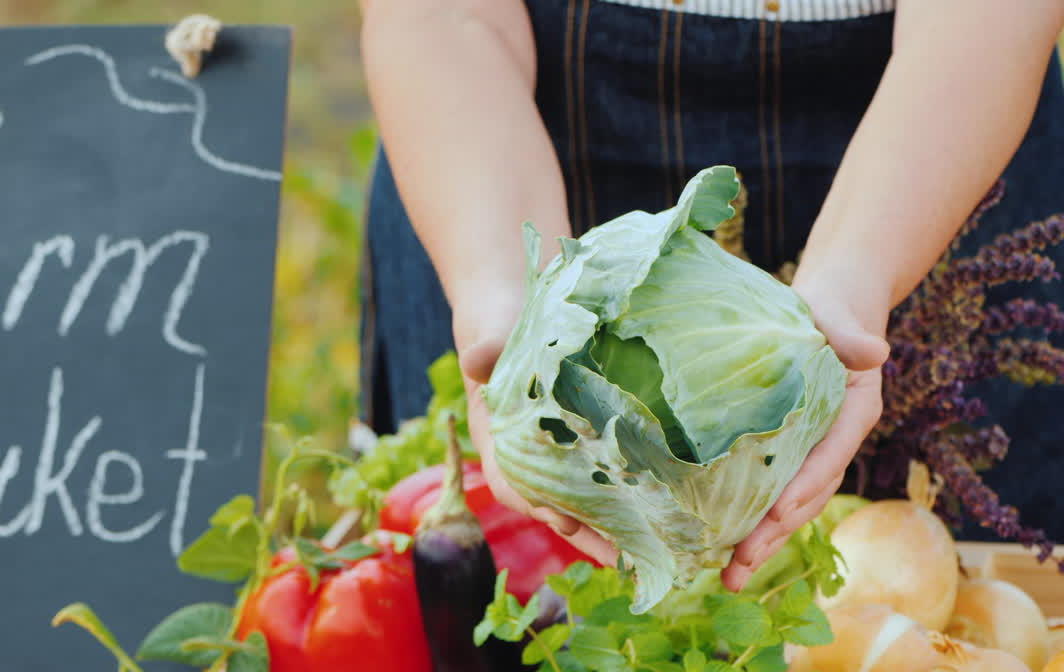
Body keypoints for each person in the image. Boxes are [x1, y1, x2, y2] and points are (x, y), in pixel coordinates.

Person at [356, 0, 1064, 591]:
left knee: (955, 606)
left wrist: (853, 284)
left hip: (935, 132)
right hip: (494, 137)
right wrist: (499, 288)